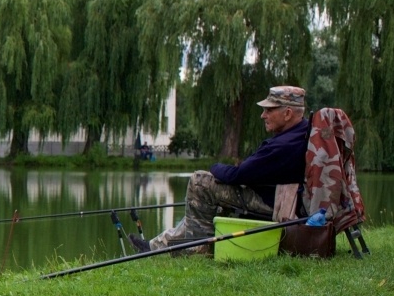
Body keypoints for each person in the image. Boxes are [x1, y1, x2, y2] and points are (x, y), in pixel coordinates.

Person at [133, 86, 310, 253]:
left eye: (269, 110)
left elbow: (238, 175)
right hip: (279, 197)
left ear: (287, 114)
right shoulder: (302, 133)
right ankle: (156, 246)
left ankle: (197, 248)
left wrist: (215, 166)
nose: (263, 115)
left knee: (201, 182)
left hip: (274, 204)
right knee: (202, 203)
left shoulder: (283, 145)